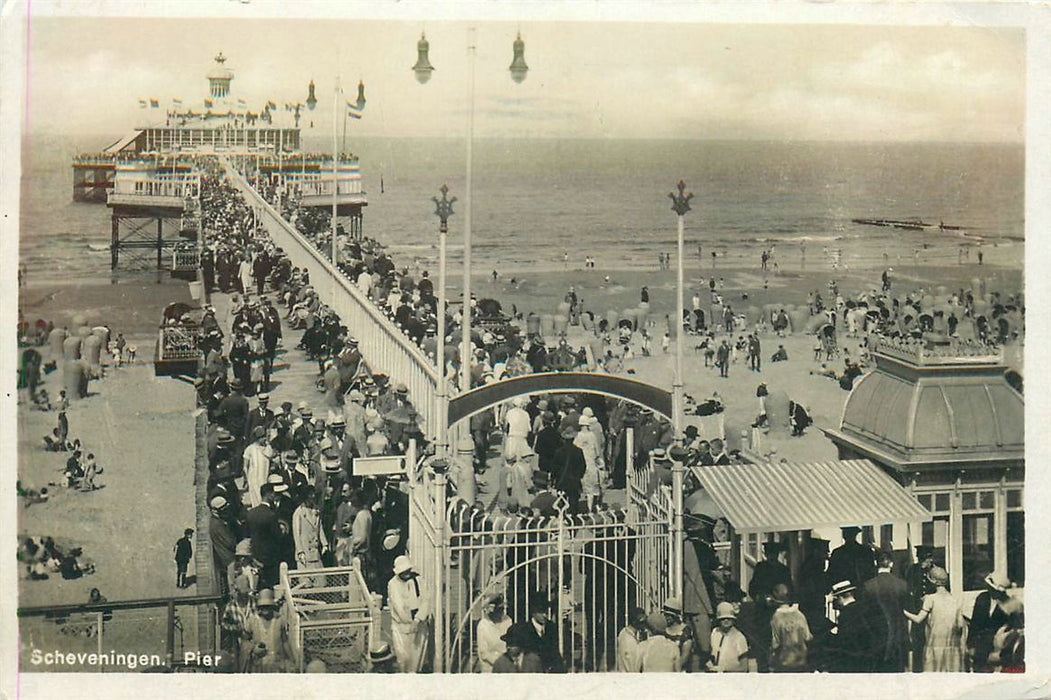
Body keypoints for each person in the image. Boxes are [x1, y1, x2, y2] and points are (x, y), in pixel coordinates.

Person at [903, 566, 965, 672]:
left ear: (933, 582)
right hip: (951, 647)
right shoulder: (955, 600)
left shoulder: (930, 599)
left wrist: (903, 612)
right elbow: (960, 625)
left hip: (934, 645)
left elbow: (918, 619)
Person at [862, 549, 909, 672]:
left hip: (876, 637)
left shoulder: (868, 586)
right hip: (898, 636)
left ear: (876, 563)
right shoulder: (902, 585)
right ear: (891, 564)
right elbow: (907, 610)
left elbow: (865, 613)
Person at [388, 555, 429, 672]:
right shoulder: (393, 584)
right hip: (401, 626)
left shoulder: (419, 580)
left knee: (416, 658)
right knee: (403, 658)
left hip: (419, 625)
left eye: (407, 570)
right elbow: (399, 607)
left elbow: (425, 600)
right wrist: (409, 620)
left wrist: (417, 619)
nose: (406, 573)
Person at [967, 571, 1012, 672]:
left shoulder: (1008, 603)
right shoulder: (982, 598)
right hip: (980, 646)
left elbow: (1011, 631)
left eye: (992, 588)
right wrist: (970, 644)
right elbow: (974, 623)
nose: (989, 589)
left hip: (997, 649)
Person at [827, 580, 875, 673]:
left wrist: (832, 634)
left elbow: (844, 640)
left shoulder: (845, 614)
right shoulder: (864, 608)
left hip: (853, 659)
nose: (834, 603)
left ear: (840, 597)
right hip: (868, 657)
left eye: (835, 599)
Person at [243, 588, 291, 672]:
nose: (265, 609)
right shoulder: (252, 620)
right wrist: (253, 648)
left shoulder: (279, 620)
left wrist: (291, 659)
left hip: (276, 665)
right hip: (258, 665)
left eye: (268, 606)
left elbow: (285, 641)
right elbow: (244, 640)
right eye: (263, 606)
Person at [768, 583, 812, 672]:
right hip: (801, 661)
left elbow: (775, 643)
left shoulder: (776, 617)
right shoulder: (800, 615)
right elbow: (808, 637)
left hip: (784, 663)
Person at [519, 591, 565, 673]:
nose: (545, 615)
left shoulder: (552, 627)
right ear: (533, 612)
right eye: (541, 611)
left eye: (546, 611)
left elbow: (556, 654)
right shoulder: (524, 629)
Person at [826, 526, 876, 593]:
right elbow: (832, 573)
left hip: (854, 589)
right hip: (847, 590)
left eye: (849, 533)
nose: (846, 535)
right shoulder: (838, 553)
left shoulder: (865, 551)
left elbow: (871, 572)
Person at [708, 602, 750, 673]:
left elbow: (744, 667)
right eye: (723, 618)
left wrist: (724, 670)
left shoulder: (739, 637)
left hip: (732, 678)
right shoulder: (714, 633)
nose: (726, 620)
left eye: (729, 618)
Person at [476, 593, 513, 672]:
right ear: (491, 611)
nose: (502, 611)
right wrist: (501, 663)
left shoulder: (507, 620)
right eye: (499, 609)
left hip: (508, 664)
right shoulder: (483, 625)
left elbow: (511, 643)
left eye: (503, 608)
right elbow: (484, 653)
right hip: (490, 667)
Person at [616, 606, 649, 672]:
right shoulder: (629, 640)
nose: (644, 624)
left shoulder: (624, 633)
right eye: (642, 621)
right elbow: (632, 666)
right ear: (634, 621)